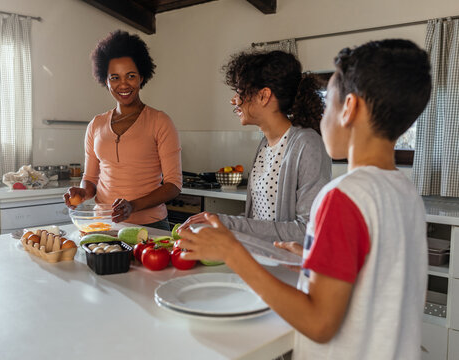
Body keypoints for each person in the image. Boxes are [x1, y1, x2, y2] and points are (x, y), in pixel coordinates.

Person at [178, 39, 431, 359]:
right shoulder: (406, 193)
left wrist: (232, 250)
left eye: (329, 104)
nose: (319, 116)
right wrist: (312, 255)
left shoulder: (343, 197)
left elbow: (320, 323)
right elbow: (390, 282)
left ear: (349, 108)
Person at [180, 50, 331, 244]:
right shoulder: (264, 146)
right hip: (259, 259)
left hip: (287, 268)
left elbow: (308, 231)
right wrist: (216, 223)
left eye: (240, 92)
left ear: (264, 96)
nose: (234, 100)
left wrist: (228, 223)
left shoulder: (307, 144)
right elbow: (259, 219)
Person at [64, 30, 182, 231]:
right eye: (115, 78)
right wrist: (83, 193)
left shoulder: (160, 122)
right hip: (103, 224)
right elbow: (91, 178)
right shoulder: (96, 125)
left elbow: (173, 185)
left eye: (130, 76)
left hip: (150, 225)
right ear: (106, 80)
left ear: (141, 77)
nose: (123, 84)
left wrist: (133, 206)